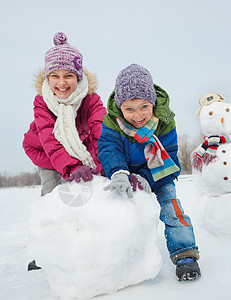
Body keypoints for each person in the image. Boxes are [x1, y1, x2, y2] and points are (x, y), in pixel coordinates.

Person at [97, 64, 201, 281]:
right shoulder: (112, 123)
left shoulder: (164, 122)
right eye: (129, 109)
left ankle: (185, 253)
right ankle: (118, 258)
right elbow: (109, 148)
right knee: (116, 210)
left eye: (144, 107)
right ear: (120, 107)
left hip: (158, 172)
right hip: (124, 174)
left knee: (171, 207)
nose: (137, 115)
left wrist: (146, 177)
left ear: (153, 102)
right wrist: (118, 172)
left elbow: (169, 156)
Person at [23, 32, 106, 270]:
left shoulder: (91, 100)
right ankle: (43, 251)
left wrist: (102, 165)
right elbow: (49, 138)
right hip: (46, 153)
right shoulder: (43, 102)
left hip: (79, 150)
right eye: (55, 76)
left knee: (83, 194)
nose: (62, 83)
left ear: (78, 77)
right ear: (47, 78)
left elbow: (101, 133)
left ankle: (83, 242)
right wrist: (70, 167)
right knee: (53, 196)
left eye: (69, 75)